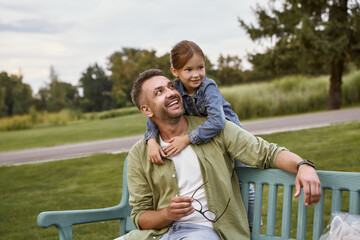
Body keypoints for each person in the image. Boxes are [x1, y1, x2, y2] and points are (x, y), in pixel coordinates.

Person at [115, 69, 321, 240]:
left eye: (170, 86)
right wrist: (167, 214)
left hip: (204, 233)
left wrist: (303, 165)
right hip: (156, 235)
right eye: (159, 92)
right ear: (146, 110)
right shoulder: (139, 154)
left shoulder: (215, 129)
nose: (170, 92)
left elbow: (266, 153)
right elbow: (140, 216)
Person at [145, 40, 256, 227]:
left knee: (244, 182)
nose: (196, 74)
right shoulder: (175, 89)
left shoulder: (208, 88)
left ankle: (253, 226)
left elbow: (217, 121)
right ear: (175, 71)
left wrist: (187, 139)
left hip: (231, 138)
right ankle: (229, 225)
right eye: (188, 70)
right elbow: (156, 115)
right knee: (222, 182)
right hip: (211, 143)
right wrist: (151, 140)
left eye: (200, 67)